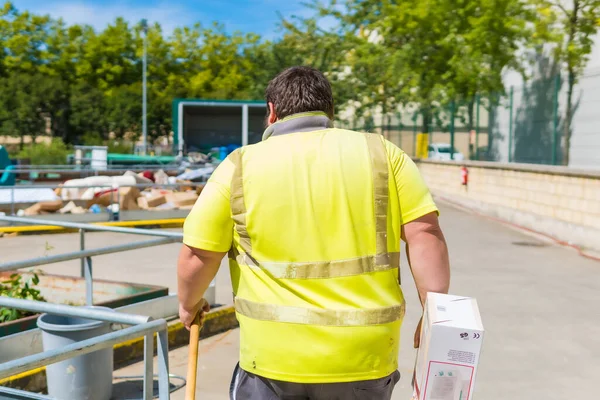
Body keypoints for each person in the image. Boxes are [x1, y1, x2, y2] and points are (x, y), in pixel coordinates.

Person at [178, 66, 450, 400]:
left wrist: (188, 304)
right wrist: (435, 314)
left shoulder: (239, 165)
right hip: (365, 355)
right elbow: (425, 232)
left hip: (272, 357)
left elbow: (199, 254)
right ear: (329, 110)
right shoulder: (383, 154)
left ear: (272, 112)